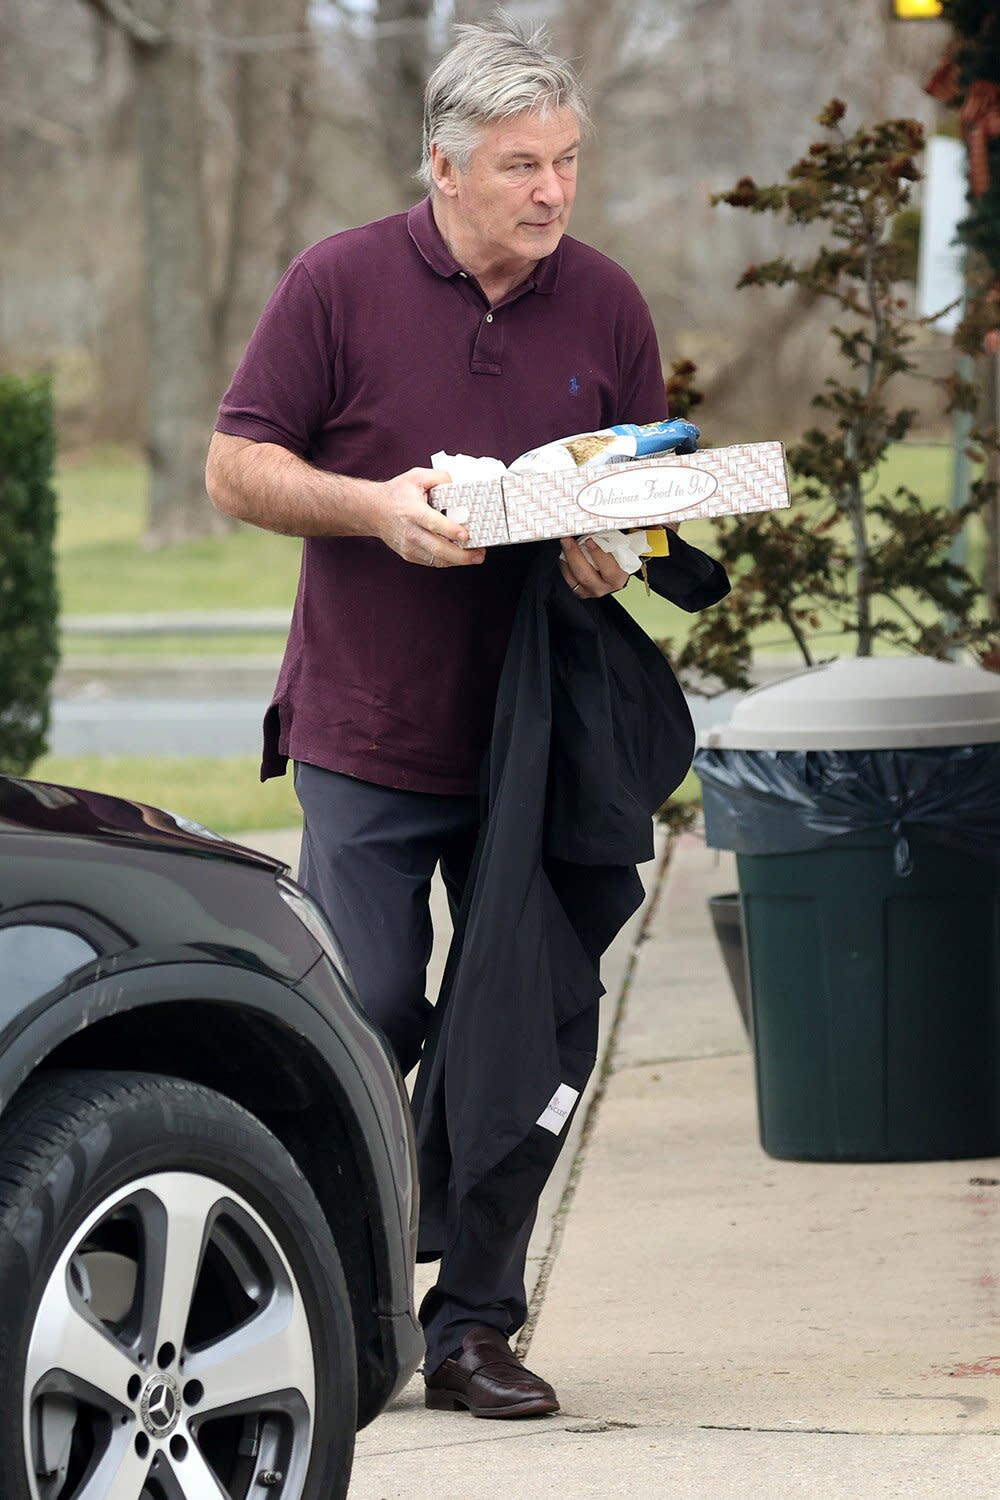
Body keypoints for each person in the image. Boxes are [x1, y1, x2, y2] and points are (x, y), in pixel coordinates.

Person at [205, 15, 673, 1418]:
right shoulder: (337, 283)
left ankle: (473, 1323)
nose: (552, 191)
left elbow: (641, 491)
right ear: (446, 168)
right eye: (522, 165)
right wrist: (375, 509)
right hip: (367, 726)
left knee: (526, 1024)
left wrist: (612, 554)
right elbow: (237, 468)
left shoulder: (608, 304)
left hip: (540, 749)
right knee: (371, 1012)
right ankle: (336, 1311)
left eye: (568, 162)